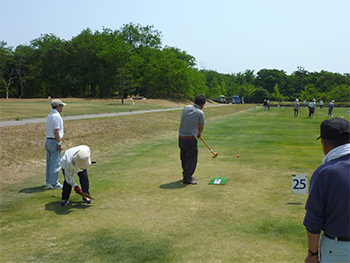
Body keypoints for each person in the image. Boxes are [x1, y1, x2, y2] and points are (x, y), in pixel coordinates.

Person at [303, 118, 350, 263]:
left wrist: (312, 253)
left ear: (324, 143)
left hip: (338, 250)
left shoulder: (324, 173)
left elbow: (314, 219)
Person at [178, 95, 206, 185]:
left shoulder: (186, 108)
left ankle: (186, 175)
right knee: (192, 159)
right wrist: (198, 134)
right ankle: (187, 178)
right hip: (190, 139)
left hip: (181, 138)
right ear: (202, 105)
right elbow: (201, 127)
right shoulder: (200, 113)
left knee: (184, 158)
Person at [45, 99, 66, 189]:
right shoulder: (56, 116)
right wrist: (59, 143)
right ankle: (53, 183)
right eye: (61, 106)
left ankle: (48, 181)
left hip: (48, 141)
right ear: (58, 106)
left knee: (50, 163)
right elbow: (56, 131)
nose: (62, 108)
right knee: (56, 163)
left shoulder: (50, 115)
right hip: (54, 141)